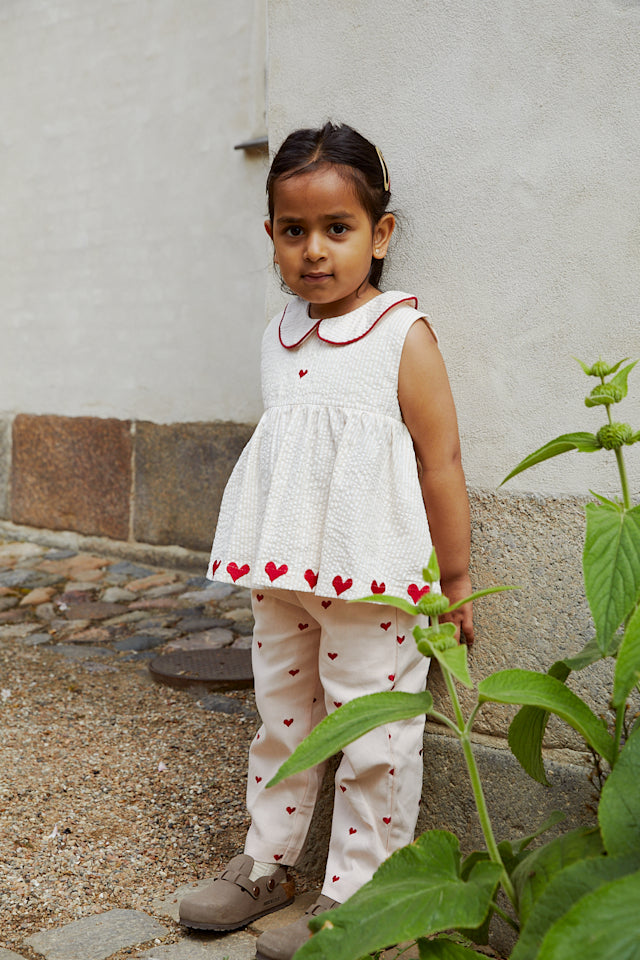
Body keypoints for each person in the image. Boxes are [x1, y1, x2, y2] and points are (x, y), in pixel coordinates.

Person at [179, 121, 474, 960]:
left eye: (337, 229)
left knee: (374, 731)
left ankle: (364, 899)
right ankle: (267, 862)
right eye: (294, 230)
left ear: (379, 236)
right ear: (270, 235)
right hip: (287, 568)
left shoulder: (399, 335)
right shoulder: (279, 337)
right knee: (282, 711)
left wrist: (454, 580)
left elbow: (441, 460)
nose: (314, 250)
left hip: (374, 578)